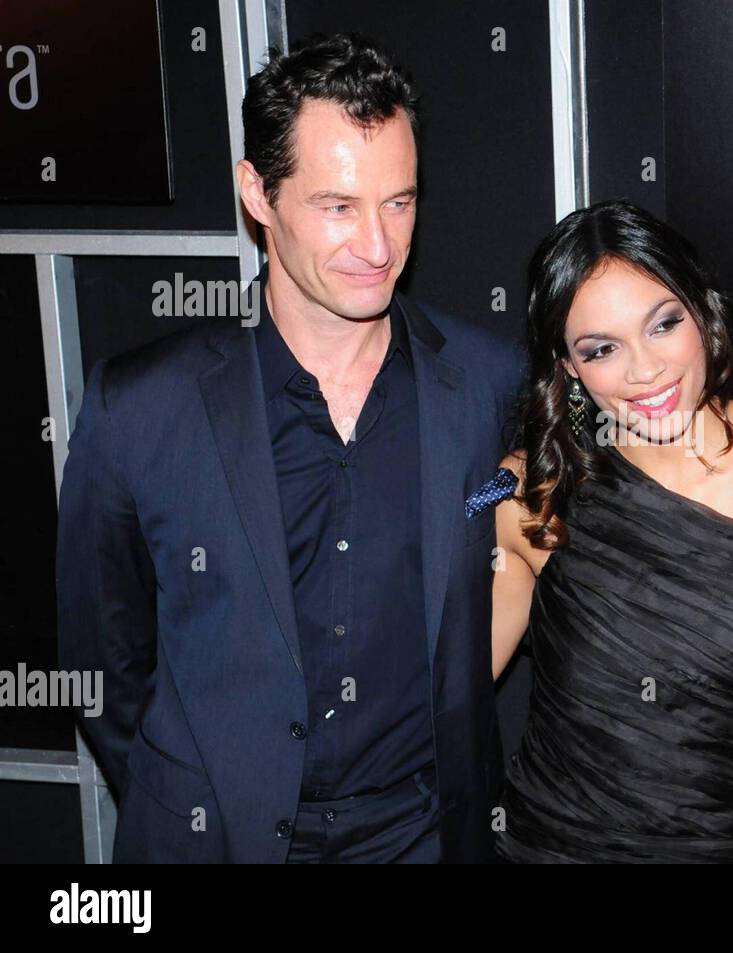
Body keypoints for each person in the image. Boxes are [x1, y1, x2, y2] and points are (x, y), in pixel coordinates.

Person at [57, 34, 521, 863]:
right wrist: (196, 788)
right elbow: (101, 662)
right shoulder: (141, 407)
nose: (378, 246)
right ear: (257, 195)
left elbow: (511, 529)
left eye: (400, 202)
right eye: (338, 206)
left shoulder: (486, 384)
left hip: (422, 837)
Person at [488, 200, 733, 862]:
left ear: (701, 308)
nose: (644, 370)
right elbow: (439, 687)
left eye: (662, 325)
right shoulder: (529, 492)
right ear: (568, 366)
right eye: (601, 348)